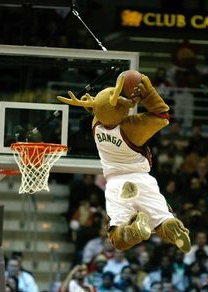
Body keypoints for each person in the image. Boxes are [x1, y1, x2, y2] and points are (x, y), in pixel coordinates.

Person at [57, 73, 191, 253]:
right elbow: (162, 115)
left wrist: (96, 105)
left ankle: (133, 231)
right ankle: (172, 228)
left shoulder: (96, 126)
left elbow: (101, 109)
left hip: (116, 184)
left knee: (117, 237)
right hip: (142, 179)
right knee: (161, 219)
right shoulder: (131, 127)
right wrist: (148, 94)